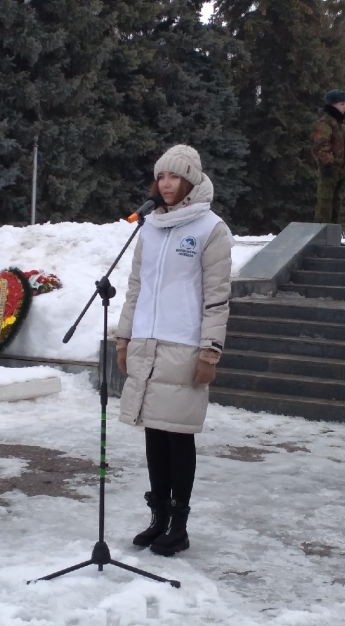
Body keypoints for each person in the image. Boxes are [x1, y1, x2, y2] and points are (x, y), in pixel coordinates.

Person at [115, 144, 233, 556]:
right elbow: (135, 288)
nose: (166, 184)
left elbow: (217, 297)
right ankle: (158, 517)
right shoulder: (148, 227)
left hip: (184, 345)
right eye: (161, 176)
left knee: (178, 436)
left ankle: (179, 526)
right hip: (146, 342)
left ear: (191, 181)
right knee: (154, 433)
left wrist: (210, 351)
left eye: (175, 177)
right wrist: (124, 338)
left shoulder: (210, 228)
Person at [310, 89, 345, 225]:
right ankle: (321, 233)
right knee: (325, 204)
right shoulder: (325, 122)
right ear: (333, 105)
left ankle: (333, 233)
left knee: (336, 203)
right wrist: (327, 164)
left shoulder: (343, 124)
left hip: (341, 170)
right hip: (329, 170)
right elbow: (321, 144)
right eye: (342, 104)